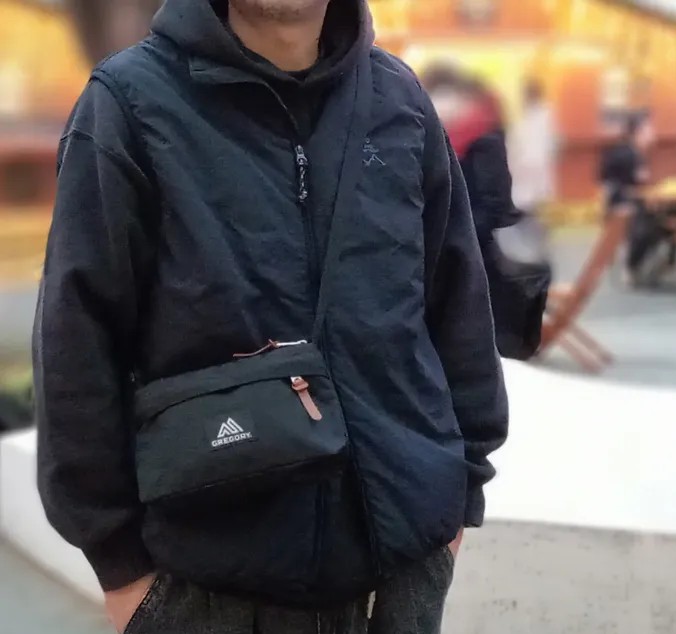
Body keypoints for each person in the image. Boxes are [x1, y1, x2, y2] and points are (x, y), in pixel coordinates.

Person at [33, 2, 509, 634]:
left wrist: (461, 492)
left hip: (403, 572)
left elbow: (457, 301)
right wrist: (121, 568)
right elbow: (76, 338)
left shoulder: (399, 101)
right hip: (208, 591)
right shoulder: (129, 103)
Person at [425, 69, 550, 360]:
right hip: (469, 242)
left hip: (478, 248)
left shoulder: (477, 136)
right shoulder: (470, 133)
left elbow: (494, 203)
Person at [600, 111, 675, 284]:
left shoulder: (624, 151)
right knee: (655, 225)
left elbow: (605, 180)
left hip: (620, 204)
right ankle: (633, 265)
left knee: (664, 223)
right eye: (649, 129)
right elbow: (638, 184)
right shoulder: (629, 154)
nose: (653, 134)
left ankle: (644, 266)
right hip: (625, 207)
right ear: (638, 132)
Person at [506, 79, 557, 218]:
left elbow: (515, 142)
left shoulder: (527, 117)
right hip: (538, 163)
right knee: (536, 199)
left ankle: (532, 221)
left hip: (527, 163)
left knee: (528, 200)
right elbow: (554, 142)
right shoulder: (547, 114)